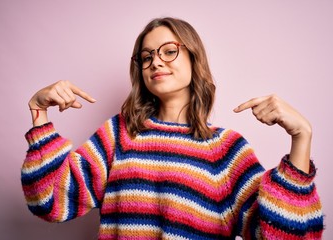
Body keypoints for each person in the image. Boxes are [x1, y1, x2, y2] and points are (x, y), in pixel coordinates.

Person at [21, 17, 324, 239]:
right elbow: (48, 200)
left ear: (194, 58)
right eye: (146, 56)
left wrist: (301, 137)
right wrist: (39, 113)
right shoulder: (120, 135)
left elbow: (287, 236)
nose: (155, 62)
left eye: (168, 51)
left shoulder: (225, 150)